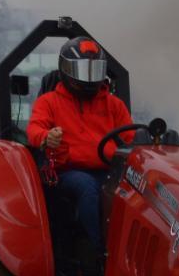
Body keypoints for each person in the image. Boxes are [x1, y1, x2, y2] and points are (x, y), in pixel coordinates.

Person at [26, 36, 132, 255]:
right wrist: (47, 137)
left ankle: (128, 253)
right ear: (66, 70)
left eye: (95, 70)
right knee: (86, 187)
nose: (90, 78)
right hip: (66, 172)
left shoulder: (114, 105)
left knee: (133, 192)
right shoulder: (49, 102)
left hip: (108, 170)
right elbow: (34, 129)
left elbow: (130, 138)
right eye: (84, 70)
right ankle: (98, 251)